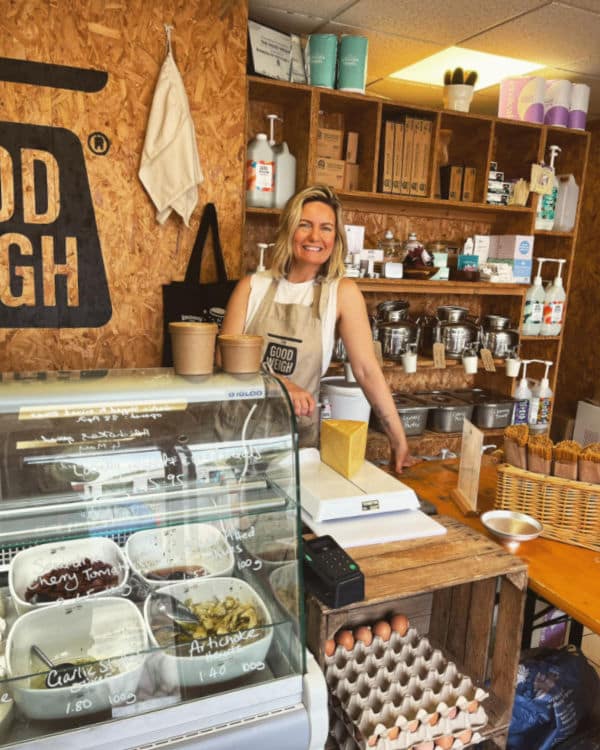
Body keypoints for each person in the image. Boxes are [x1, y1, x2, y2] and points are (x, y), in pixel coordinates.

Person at [221, 184, 414, 474]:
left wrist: (398, 438)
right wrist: (281, 385)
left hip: (295, 443)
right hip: (237, 438)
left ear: (336, 239)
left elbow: (366, 370)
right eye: (305, 225)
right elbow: (224, 360)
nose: (315, 237)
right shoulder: (252, 286)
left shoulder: (342, 293)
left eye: (326, 228)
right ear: (289, 231)